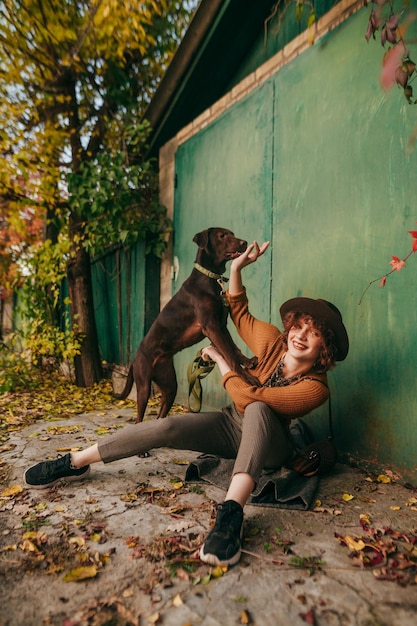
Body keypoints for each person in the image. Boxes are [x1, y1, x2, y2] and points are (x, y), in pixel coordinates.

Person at [24, 240, 349, 568]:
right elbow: (238, 311)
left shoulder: (315, 388)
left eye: (314, 332)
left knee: (259, 409)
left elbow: (250, 398)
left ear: (325, 347)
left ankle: (231, 514)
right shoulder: (274, 343)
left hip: (270, 445)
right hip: (229, 425)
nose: (300, 334)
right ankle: (76, 461)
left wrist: (224, 362)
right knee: (168, 426)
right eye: (299, 325)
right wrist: (235, 269)